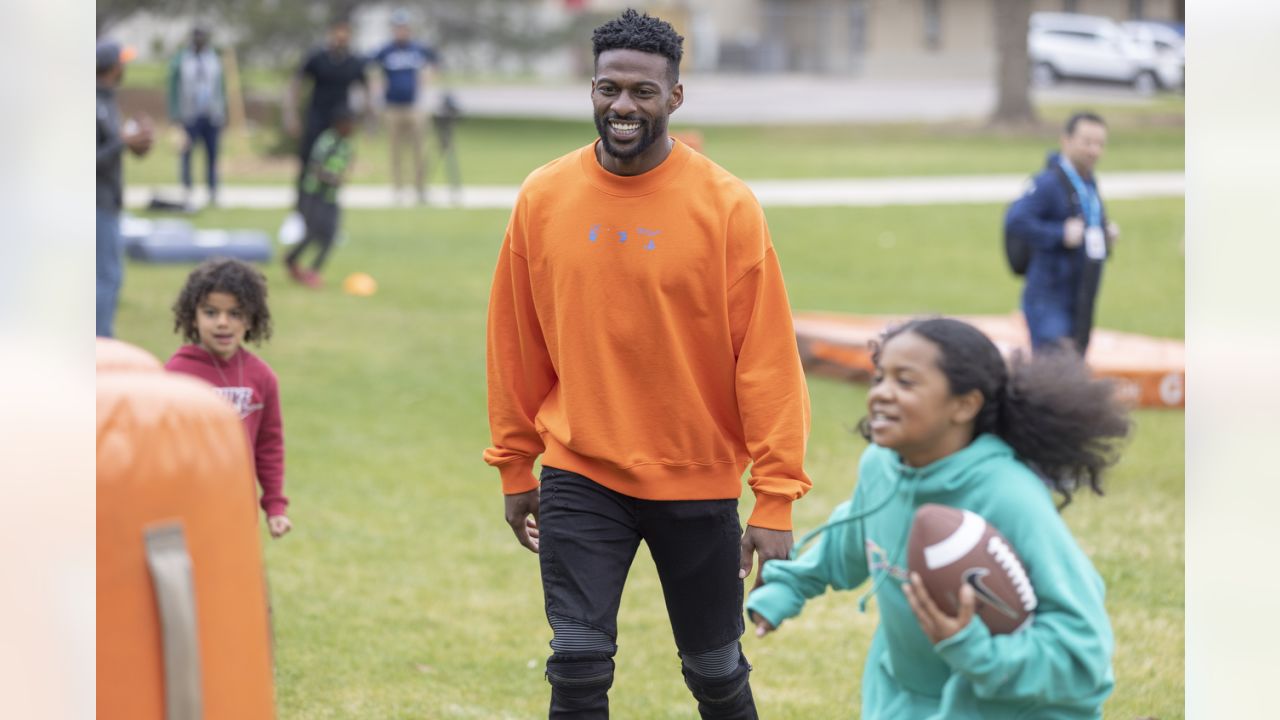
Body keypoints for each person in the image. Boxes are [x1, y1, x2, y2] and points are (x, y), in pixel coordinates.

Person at [484, 10, 812, 718]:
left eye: (641, 91)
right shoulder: (543, 196)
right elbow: (516, 343)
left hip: (697, 475)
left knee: (715, 669)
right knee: (575, 663)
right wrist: (516, 464)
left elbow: (766, 359)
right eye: (607, 89)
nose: (622, 106)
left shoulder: (726, 206)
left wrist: (776, 494)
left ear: (675, 97)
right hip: (581, 468)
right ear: (592, 89)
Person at [746, 317, 1130, 719]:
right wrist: (788, 586)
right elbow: (856, 531)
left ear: (965, 404)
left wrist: (973, 648)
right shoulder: (882, 467)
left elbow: (1082, 653)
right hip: (901, 701)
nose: (881, 394)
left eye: (905, 382)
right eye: (879, 378)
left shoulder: (1009, 496)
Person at [165, 258, 292, 539]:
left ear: (251, 318)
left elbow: (269, 446)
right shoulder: (174, 377)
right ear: (192, 316)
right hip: (185, 513)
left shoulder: (262, 377)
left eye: (235, 313)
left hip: (238, 510)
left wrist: (275, 506)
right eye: (211, 312)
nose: (223, 323)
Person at [1005, 112, 1121, 355]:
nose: (1094, 151)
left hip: (1081, 293)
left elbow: (1086, 225)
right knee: (1055, 370)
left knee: (1074, 366)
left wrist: (1104, 232)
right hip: (1050, 296)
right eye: (1087, 142)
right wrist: (1059, 234)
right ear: (1066, 141)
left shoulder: (1089, 182)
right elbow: (1016, 220)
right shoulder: (1048, 182)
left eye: (1100, 144)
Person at [96, 39, 153, 338]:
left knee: (110, 277)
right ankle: (100, 346)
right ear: (114, 67)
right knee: (106, 278)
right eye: (123, 62)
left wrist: (136, 141)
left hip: (108, 202)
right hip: (95, 204)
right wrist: (124, 142)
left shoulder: (106, 100)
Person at [284, 17, 368, 206]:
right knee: (309, 161)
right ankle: (302, 206)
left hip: (340, 122)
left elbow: (366, 89)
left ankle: (329, 209)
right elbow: (296, 83)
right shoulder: (317, 58)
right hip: (317, 116)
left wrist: (366, 119)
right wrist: (291, 115)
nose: (341, 37)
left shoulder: (354, 62)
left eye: (345, 33)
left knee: (336, 164)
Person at [373, 9, 440, 204]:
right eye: (398, 28)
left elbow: (435, 61)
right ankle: (398, 189)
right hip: (392, 106)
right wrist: (377, 85)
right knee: (396, 150)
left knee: (419, 148)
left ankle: (420, 189)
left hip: (414, 106)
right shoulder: (386, 51)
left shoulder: (417, 49)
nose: (401, 32)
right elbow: (370, 66)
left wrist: (428, 78)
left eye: (404, 28)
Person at [285, 108, 356, 288]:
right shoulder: (326, 141)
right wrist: (331, 177)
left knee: (331, 235)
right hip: (315, 194)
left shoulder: (347, 145)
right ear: (340, 124)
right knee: (313, 232)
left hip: (331, 196)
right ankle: (291, 259)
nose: (351, 128)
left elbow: (346, 167)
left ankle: (313, 271)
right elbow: (315, 168)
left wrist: (342, 177)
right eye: (348, 124)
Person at [167, 23, 227, 208]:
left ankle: (213, 190)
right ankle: (187, 189)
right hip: (189, 114)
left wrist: (224, 111)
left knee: (212, 154)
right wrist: (175, 113)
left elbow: (221, 87)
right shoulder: (182, 59)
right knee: (186, 153)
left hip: (211, 114)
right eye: (197, 36)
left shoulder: (213, 58)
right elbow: (173, 87)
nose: (200, 40)